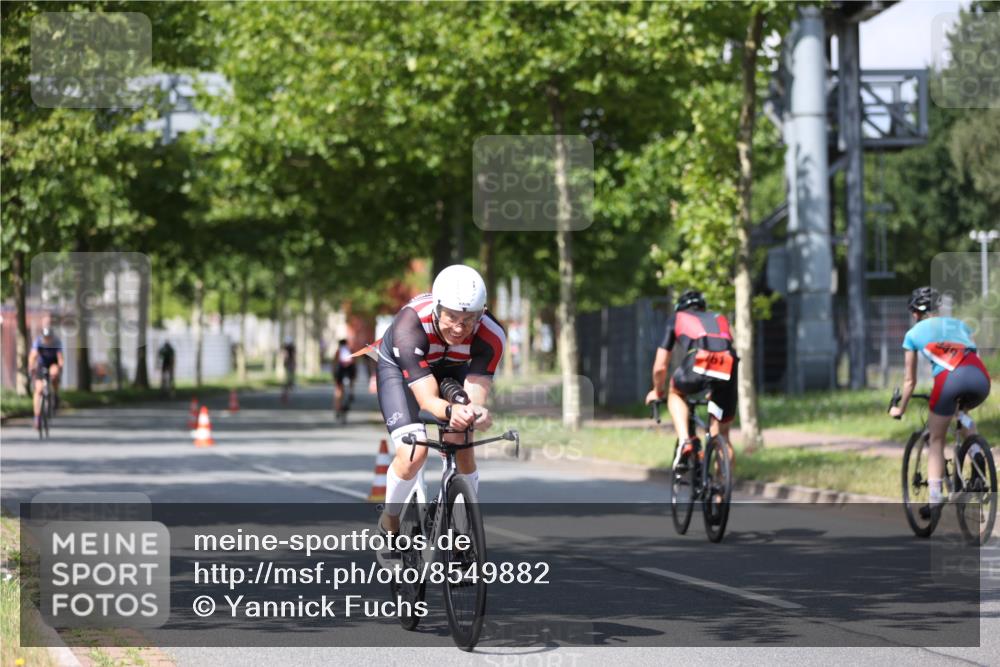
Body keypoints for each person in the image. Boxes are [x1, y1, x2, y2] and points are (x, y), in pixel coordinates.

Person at [372, 264, 505, 562]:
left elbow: (476, 392)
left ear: (481, 313)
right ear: (437, 308)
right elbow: (426, 401)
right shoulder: (410, 325)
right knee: (413, 452)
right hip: (404, 373)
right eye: (452, 318)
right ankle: (390, 523)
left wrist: (475, 412)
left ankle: (461, 536)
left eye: (469, 319)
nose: (460, 328)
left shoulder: (492, 335)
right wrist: (449, 410)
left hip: (453, 369)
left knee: (463, 445)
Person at [888, 286, 991, 516]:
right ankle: (976, 455)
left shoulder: (913, 334)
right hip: (980, 378)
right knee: (961, 414)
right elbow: (975, 356)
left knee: (936, 438)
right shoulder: (959, 324)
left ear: (915, 313)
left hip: (950, 381)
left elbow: (909, 381)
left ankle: (935, 499)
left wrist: (899, 408)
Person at [645, 290, 738, 467]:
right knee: (722, 435)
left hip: (700, 358)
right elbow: (721, 349)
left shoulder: (677, 318)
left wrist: (657, 391)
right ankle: (722, 490)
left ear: (679, 307)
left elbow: (660, 366)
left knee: (676, 392)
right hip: (729, 362)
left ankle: (685, 440)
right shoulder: (719, 317)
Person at [28, 320, 64, 430]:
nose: (47, 340)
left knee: (54, 373)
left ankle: (55, 394)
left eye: (49, 337)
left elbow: (60, 359)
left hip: (53, 363)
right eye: (45, 337)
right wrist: (31, 367)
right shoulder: (38, 342)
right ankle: (37, 417)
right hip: (41, 364)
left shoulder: (56, 342)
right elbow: (33, 356)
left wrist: (59, 368)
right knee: (38, 390)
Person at [333, 338, 356, 418]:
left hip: (341, 370)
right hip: (350, 370)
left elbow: (335, 363)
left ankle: (337, 408)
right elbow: (354, 363)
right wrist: (355, 375)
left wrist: (334, 374)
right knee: (351, 382)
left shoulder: (338, 351)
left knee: (338, 389)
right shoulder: (350, 350)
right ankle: (351, 392)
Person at [281, 336, 296, 403]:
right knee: (288, 379)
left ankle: (287, 392)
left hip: (288, 363)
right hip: (289, 363)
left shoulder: (289, 347)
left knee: (288, 379)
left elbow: (285, 355)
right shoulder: (289, 348)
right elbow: (286, 355)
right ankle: (286, 393)